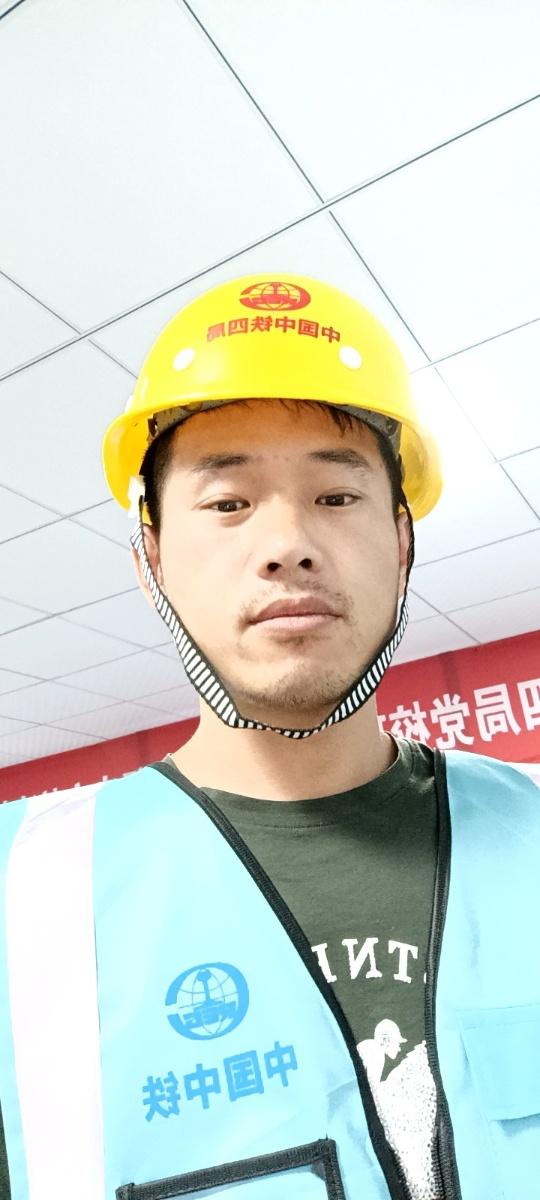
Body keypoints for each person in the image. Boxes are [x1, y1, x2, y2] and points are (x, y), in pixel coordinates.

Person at [0, 275, 538, 1200]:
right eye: (227, 503)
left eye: (336, 495)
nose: (287, 543)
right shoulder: (25, 898)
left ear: (403, 541)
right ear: (150, 556)